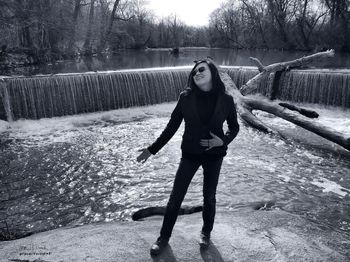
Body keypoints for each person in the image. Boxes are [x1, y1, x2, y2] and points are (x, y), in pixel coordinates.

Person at [136, 57, 240, 255]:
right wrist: (151, 149)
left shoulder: (226, 100)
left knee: (209, 197)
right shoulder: (186, 98)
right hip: (190, 154)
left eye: (201, 70)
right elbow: (171, 127)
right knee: (176, 198)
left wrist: (223, 141)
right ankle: (163, 238)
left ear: (212, 73)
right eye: (194, 72)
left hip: (214, 156)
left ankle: (206, 233)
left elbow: (234, 127)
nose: (197, 73)